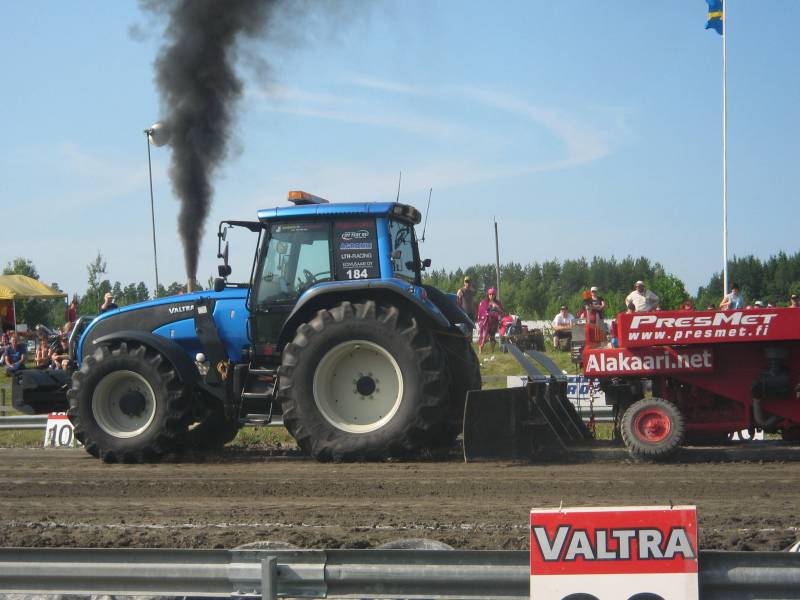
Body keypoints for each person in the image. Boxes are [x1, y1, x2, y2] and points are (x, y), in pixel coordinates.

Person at [476, 288, 504, 353]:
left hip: (494, 323)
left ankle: (492, 351)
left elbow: (502, 312)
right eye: (490, 294)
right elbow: (481, 312)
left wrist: (497, 308)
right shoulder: (484, 302)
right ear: (488, 295)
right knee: (483, 337)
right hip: (486, 323)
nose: (491, 296)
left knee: (492, 337)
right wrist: (486, 314)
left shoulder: (498, 303)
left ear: (495, 295)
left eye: (492, 294)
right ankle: (480, 351)